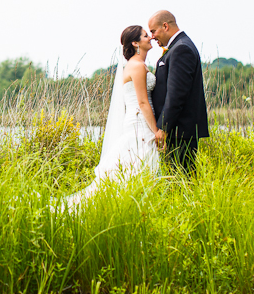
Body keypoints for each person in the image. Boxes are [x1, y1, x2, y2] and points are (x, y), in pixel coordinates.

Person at [63, 25, 160, 206]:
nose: (150, 38)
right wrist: (156, 131)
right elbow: (143, 102)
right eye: (146, 36)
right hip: (140, 123)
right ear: (135, 43)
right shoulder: (137, 66)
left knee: (137, 168)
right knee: (140, 165)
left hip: (138, 120)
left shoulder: (136, 65)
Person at [148, 10, 209, 175]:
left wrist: (164, 127)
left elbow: (177, 94)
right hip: (177, 130)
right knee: (177, 179)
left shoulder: (181, 49)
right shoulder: (178, 47)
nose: (152, 36)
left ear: (165, 26)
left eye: (153, 31)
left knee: (181, 179)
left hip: (179, 130)